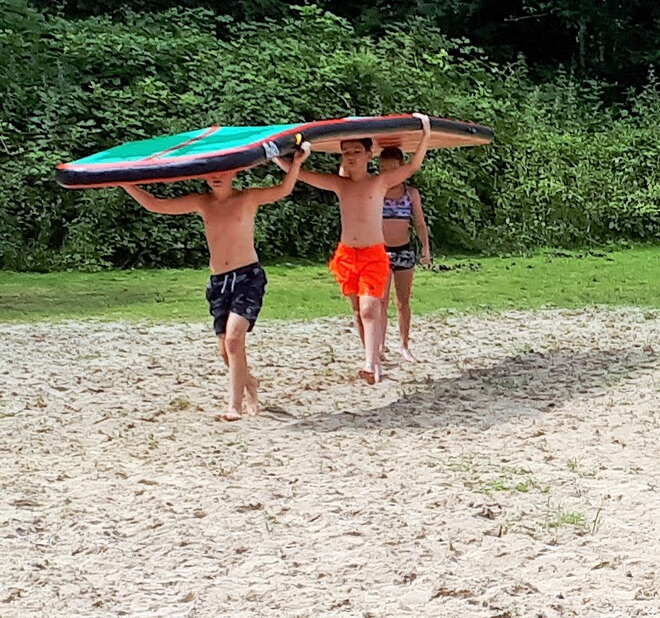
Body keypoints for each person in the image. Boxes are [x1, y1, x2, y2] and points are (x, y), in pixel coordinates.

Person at [121, 142, 310, 421]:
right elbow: (155, 204)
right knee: (225, 350)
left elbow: (283, 190)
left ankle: (234, 406)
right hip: (219, 282)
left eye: (223, 170)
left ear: (234, 172)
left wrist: (296, 163)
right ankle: (250, 384)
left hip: (248, 277)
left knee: (235, 340)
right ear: (203, 174)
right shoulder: (202, 202)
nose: (216, 176)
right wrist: (124, 181)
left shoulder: (247, 198)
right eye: (210, 171)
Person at [278, 114, 431, 384]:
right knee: (359, 312)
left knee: (371, 308)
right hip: (347, 255)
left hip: (374, 254)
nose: (351, 157)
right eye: (347, 152)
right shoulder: (340, 184)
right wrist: (278, 156)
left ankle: (371, 364)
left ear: (369, 154)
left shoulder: (378, 182)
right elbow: (302, 175)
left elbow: (413, 166)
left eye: (357, 151)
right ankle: (373, 357)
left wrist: (426, 133)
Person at [377, 147, 432, 362]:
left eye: (393, 169)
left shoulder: (411, 193)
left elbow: (419, 223)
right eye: (384, 169)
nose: (389, 173)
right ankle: (379, 345)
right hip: (380, 252)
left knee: (403, 301)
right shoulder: (377, 190)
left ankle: (404, 344)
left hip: (404, 250)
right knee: (380, 301)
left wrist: (426, 248)